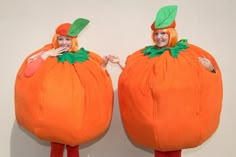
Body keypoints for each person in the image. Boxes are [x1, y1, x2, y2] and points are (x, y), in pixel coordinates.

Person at [108, 5, 222, 157]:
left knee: (174, 150)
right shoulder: (147, 55)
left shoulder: (187, 55)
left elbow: (208, 79)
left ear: (171, 34)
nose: (159, 37)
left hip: (176, 118)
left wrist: (210, 67)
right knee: (160, 151)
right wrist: (120, 63)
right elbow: (135, 74)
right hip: (158, 119)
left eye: (163, 33)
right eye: (156, 34)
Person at [15, 18, 113, 157]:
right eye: (61, 39)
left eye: (67, 39)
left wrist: (103, 65)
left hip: (74, 116)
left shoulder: (83, 56)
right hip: (55, 117)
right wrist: (46, 55)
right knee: (56, 148)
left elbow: (96, 78)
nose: (64, 43)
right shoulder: (47, 54)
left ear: (73, 40)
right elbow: (28, 72)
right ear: (56, 39)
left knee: (73, 148)